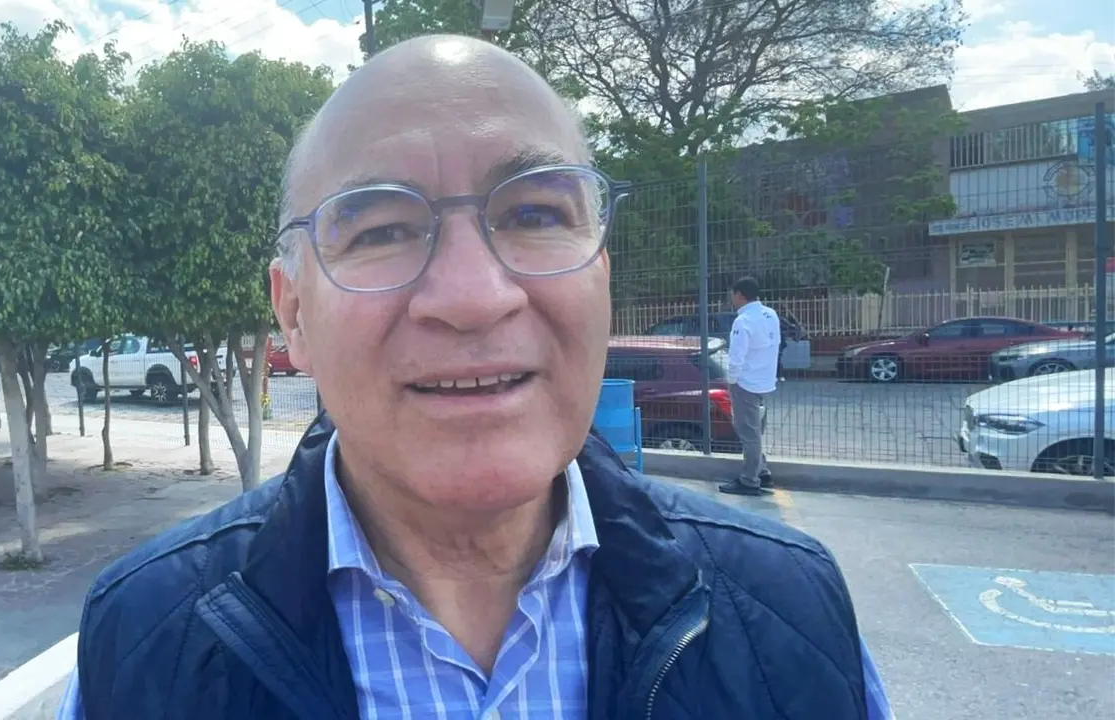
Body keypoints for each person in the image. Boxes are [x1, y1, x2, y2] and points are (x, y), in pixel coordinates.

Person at [58, 35, 894, 720]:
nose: (472, 297)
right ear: (294, 314)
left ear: (602, 272)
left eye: (534, 214)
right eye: (382, 231)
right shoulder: (142, 648)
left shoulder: (793, 618)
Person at [720, 276, 781, 496]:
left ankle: (749, 480)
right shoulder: (770, 315)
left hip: (746, 384)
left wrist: (732, 380)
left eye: (732, 295)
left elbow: (737, 356)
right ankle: (762, 472)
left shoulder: (743, 321)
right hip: (765, 382)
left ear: (739, 294)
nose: (732, 299)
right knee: (755, 431)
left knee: (748, 433)